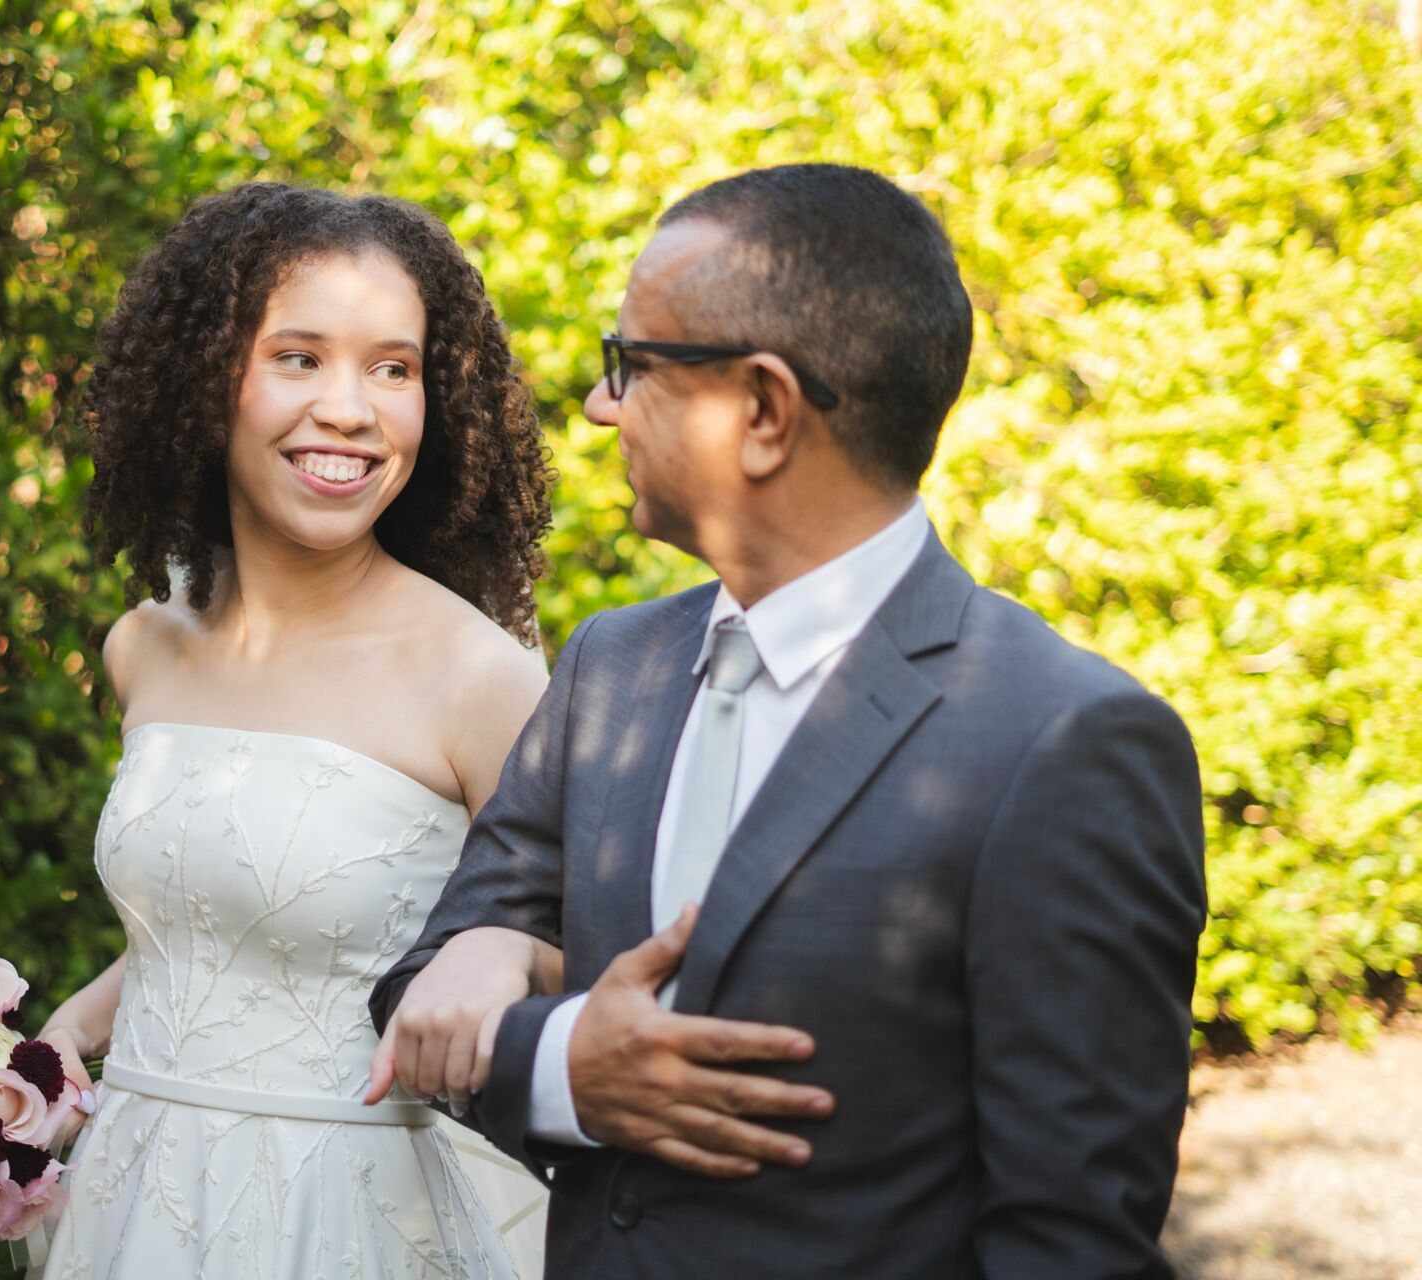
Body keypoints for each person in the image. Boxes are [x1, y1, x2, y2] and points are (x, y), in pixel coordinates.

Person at [368, 164, 1207, 1278]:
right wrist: (568, 1059)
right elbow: (415, 993)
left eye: (633, 365)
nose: (599, 405)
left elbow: (1071, 1240)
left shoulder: (1065, 741)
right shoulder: (611, 668)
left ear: (761, 410)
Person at [29, 182, 559, 1280]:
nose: (353, 409)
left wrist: (500, 953)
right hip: (131, 1192)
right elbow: (213, 931)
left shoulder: (476, 676)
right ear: (203, 383)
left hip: (344, 1216)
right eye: (300, 357)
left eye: (393, 368)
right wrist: (48, 1049)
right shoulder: (148, 646)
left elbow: (586, 942)